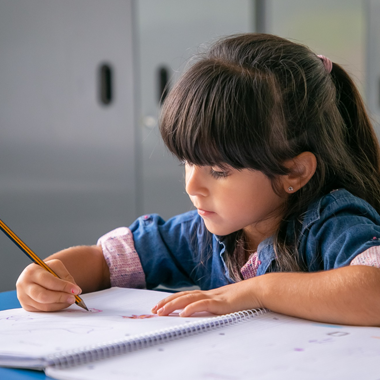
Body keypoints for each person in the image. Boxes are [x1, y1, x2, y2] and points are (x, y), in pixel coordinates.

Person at [16, 33, 380, 326]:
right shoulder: (200, 234)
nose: (192, 186)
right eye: (188, 163)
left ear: (294, 173)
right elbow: (103, 261)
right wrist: (49, 277)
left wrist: (260, 290)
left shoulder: (331, 223)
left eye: (219, 171)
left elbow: (374, 291)